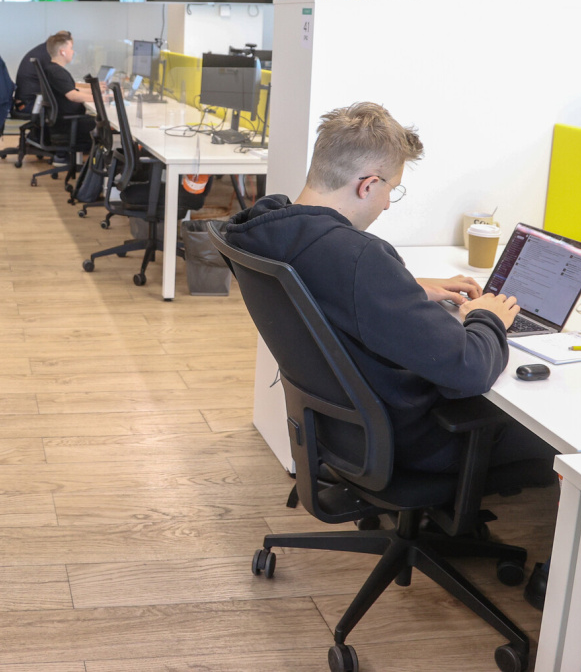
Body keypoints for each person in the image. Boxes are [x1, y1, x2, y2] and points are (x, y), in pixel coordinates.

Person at [221, 101, 554, 475]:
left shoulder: (266, 231)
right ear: (367, 185)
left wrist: (405, 289)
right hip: (412, 443)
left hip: (342, 431)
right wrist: (486, 317)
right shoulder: (359, 258)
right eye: (392, 190)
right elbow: (470, 369)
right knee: (549, 425)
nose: (387, 205)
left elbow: (328, 289)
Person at [41, 31, 99, 154]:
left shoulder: (53, 69)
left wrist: (97, 93)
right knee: (106, 125)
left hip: (66, 120)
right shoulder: (57, 72)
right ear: (62, 52)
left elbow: (72, 89)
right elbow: (73, 95)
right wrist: (102, 99)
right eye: (71, 48)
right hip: (69, 123)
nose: (73, 52)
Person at [13, 30, 69, 110]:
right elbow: (59, 83)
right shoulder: (49, 54)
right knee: (71, 107)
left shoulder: (43, 50)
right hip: (29, 104)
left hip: (25, 102)